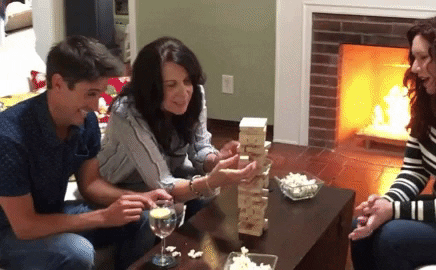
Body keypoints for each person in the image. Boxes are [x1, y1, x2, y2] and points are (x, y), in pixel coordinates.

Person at [0, 35, 172, 270]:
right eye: (90, 93)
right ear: (58, 83)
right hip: (8, 230)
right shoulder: (9, 137)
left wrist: (135, 198)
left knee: (141, 218)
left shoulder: (85, 121)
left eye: (100, 93)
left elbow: (90, 184)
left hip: (51, 211)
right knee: (77, 251)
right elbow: (25, 225)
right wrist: (102, 217)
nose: (96, 105)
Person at [349, 12, 436, 269]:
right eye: (414, 58)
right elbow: (414, 169)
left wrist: (395, 211)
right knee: (362, 226)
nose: (414, 68)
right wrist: (386, 203)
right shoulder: (431, 101)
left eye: (423, 58)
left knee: (392, 239)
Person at [97, 36, 259, 219]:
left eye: (187, 81)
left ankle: (192, 242)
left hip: (168, 167)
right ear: (151, 88)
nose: (184, 92)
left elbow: (200, 148)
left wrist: (217, 159)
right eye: (171, 85)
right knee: (169, 210)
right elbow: (163, 184)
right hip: (122, 182)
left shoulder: (195, 92)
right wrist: (209, 182)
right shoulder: (126, 114)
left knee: (208, 192)